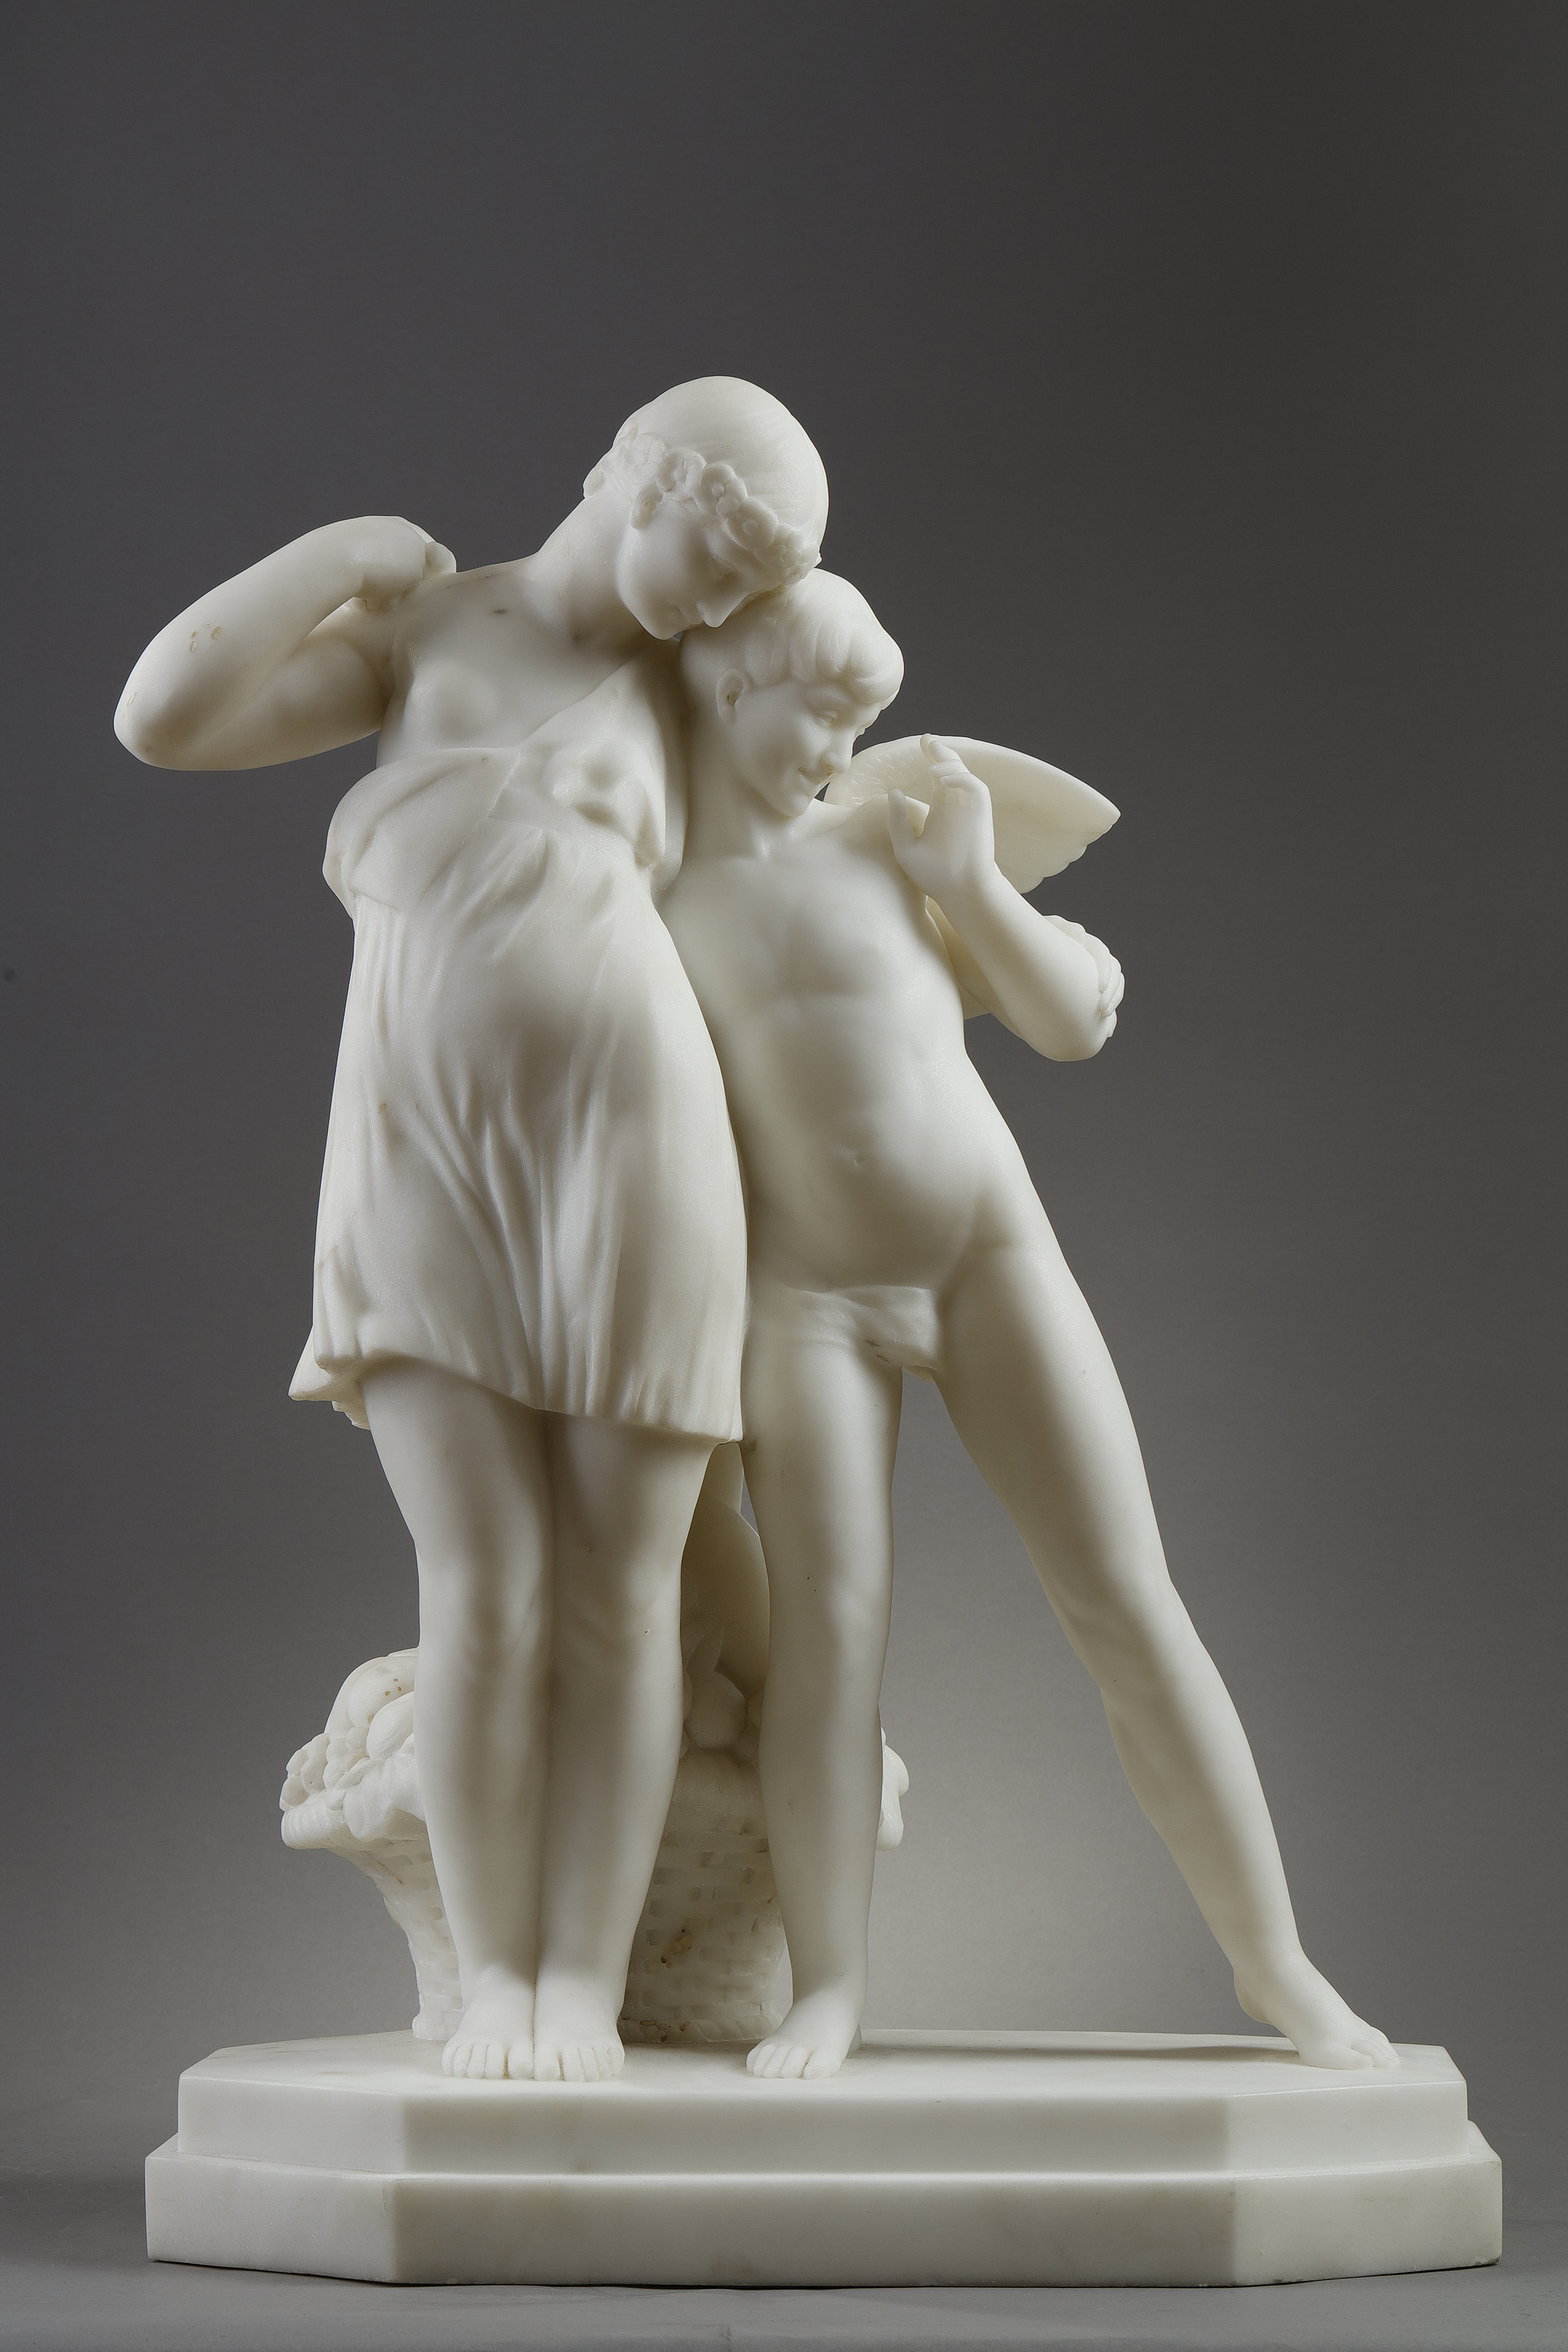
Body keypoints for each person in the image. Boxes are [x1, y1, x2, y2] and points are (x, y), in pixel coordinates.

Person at [114, 380, 829, 2082]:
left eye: (754, 589)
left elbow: (818, 829)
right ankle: (497, 1974)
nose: (721, 608)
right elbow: (166, 716)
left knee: (626, 1597)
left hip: (642, 1152)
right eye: (718, 556)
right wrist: (343, 552)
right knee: (484, 1586)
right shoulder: (421, 633)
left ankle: (579, 1984)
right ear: (640, 477)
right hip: (423, 1150)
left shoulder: (698, 686)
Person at [663, 571, 1397, 2080]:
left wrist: (976, 881)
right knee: (829, 1641)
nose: (841, 748)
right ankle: (829, 1988)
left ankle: (1275, 1965)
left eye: (862, 721)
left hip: (986, 1258)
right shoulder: (654, 893)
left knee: (1126, 1600)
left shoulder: (888, 834)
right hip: (804, 1302)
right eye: (822, 713)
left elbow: (1071, 1022)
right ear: (731, 687)